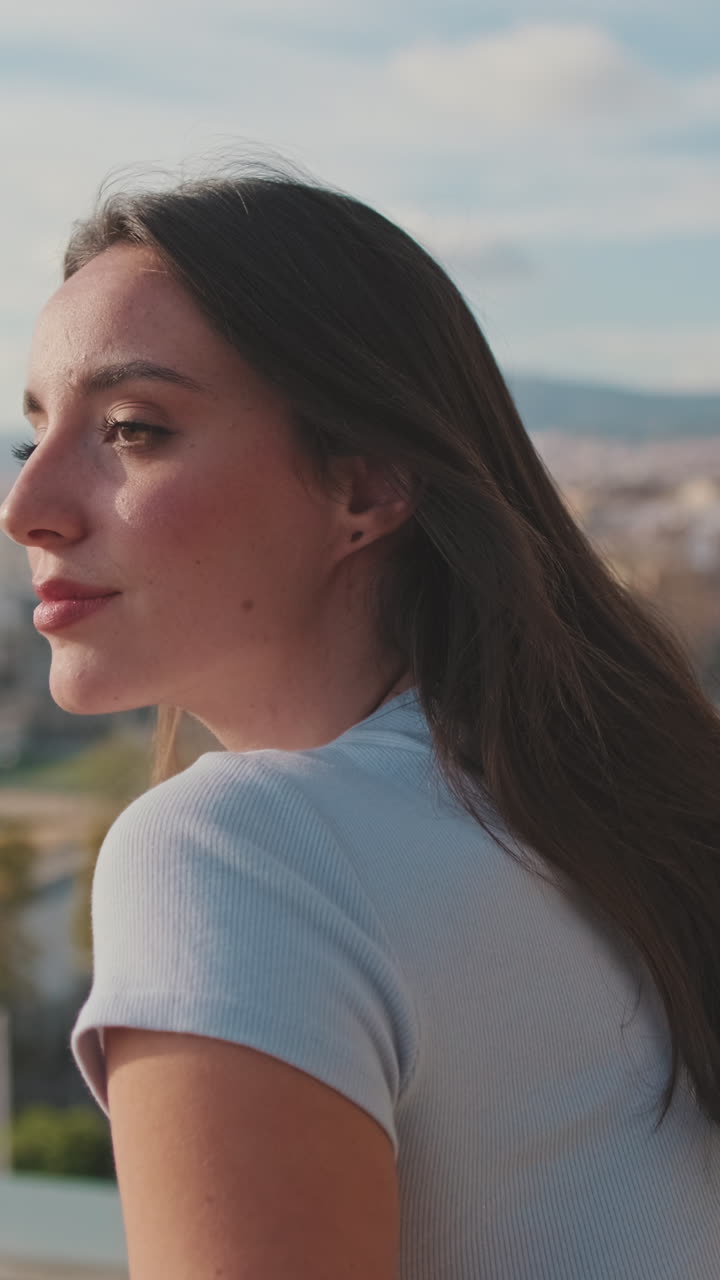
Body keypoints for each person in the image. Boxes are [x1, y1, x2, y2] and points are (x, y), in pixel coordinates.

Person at [1, 163, 718, 1280]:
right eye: (30, 434)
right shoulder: (591, 818)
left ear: (367, 487)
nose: (26, 507)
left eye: (133, 428)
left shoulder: (241, 849)